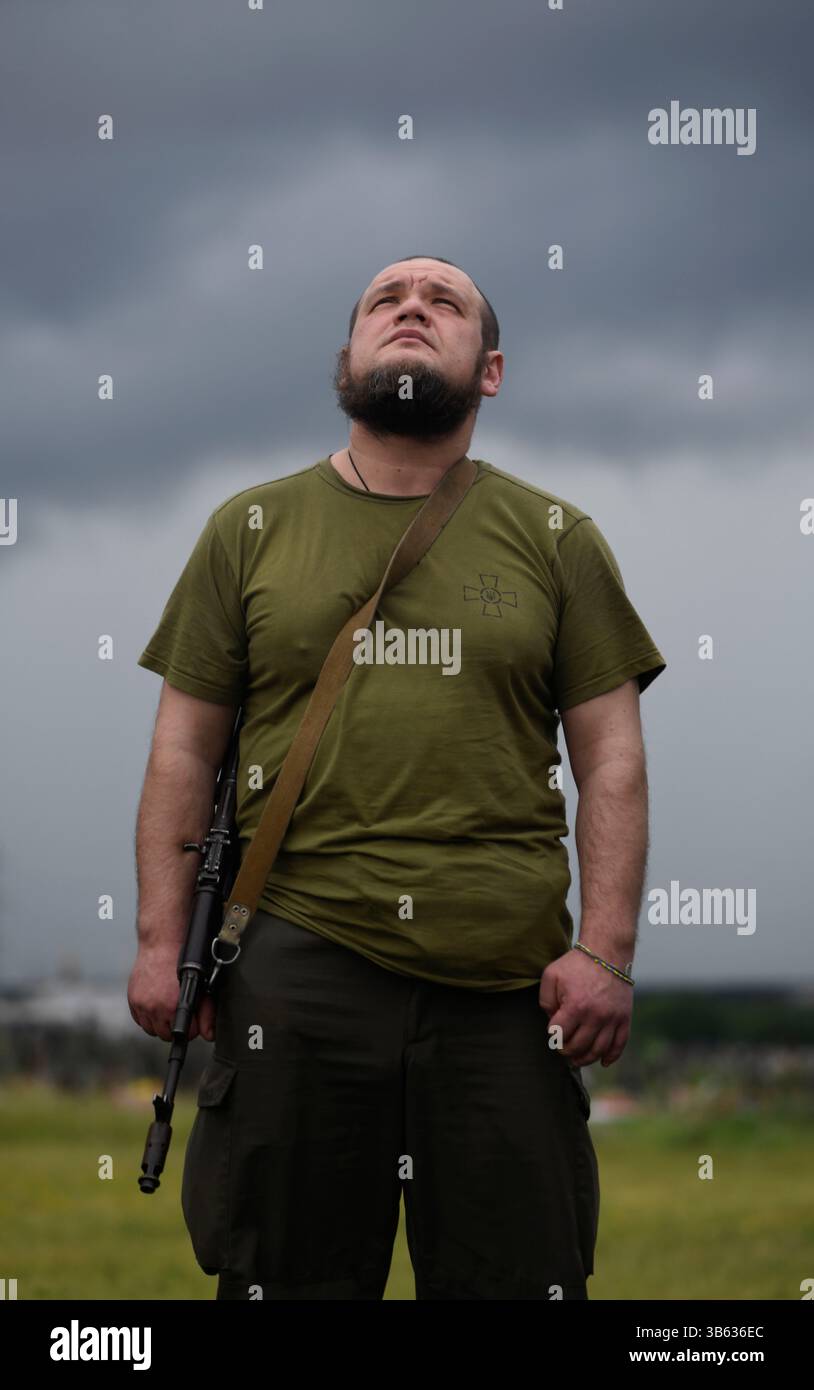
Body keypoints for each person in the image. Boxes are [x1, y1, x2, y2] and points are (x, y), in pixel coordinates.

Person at [128, 254, 666, 1300]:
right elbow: (183, 750)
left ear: (491, 369)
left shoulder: (558, 539)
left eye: (443, 302)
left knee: (520, 1281)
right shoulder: (249, 529)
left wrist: (606, 948)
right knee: (284, 1280)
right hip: (293, 963)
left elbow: (611, 754)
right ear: (347, 361)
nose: (411, 307)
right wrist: (161, 941)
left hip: (508, 984)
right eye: (386, 300)